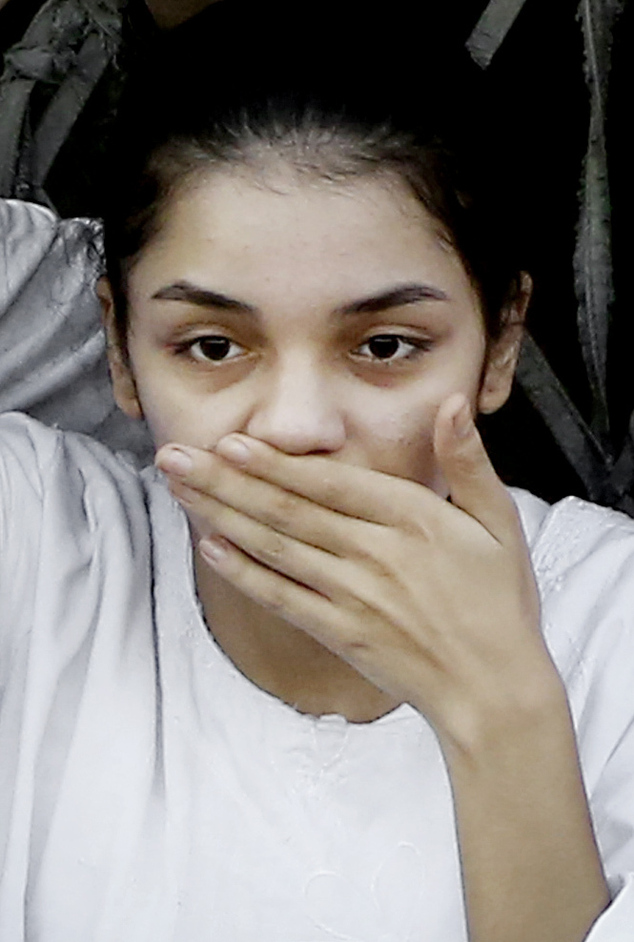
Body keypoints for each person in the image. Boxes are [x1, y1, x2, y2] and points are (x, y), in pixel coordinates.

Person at [1, 11, 633, 942]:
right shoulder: (39, 546)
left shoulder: (616, 630)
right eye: (212, 346)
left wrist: (501, 715)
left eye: (384, 346)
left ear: (500, 343)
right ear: (121, 351)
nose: (296, 428)